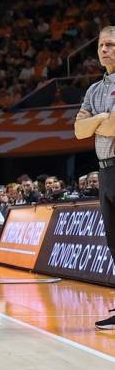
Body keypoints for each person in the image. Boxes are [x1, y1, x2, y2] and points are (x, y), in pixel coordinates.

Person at [74, 26, 115, 330]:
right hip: (104, 169)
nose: (104, 50)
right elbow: (77, 132)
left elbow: (113, 128)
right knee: (114, 243)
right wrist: (102, 119)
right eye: (101, 45)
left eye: (111, 45)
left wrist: (95, 121)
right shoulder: (93, 90)